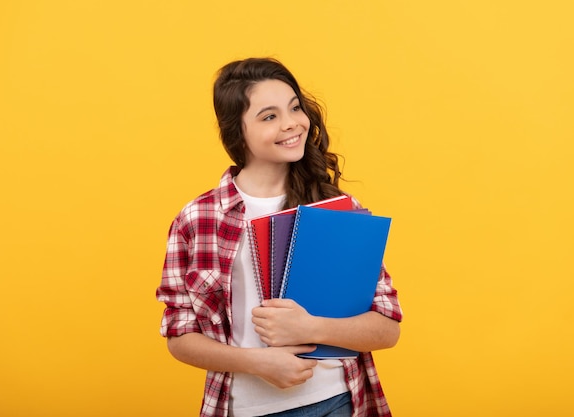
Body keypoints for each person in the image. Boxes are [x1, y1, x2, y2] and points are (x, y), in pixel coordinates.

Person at [157, 57, 403, 417]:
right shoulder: (198, 218)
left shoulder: (337, 209)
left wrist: (309, 327)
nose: (292, 124)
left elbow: (386, 329)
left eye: (294, 108)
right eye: (269, 116)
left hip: (338, 402)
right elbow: (180, 337)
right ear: (237, 132)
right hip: (245, 408)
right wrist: (258, 363)